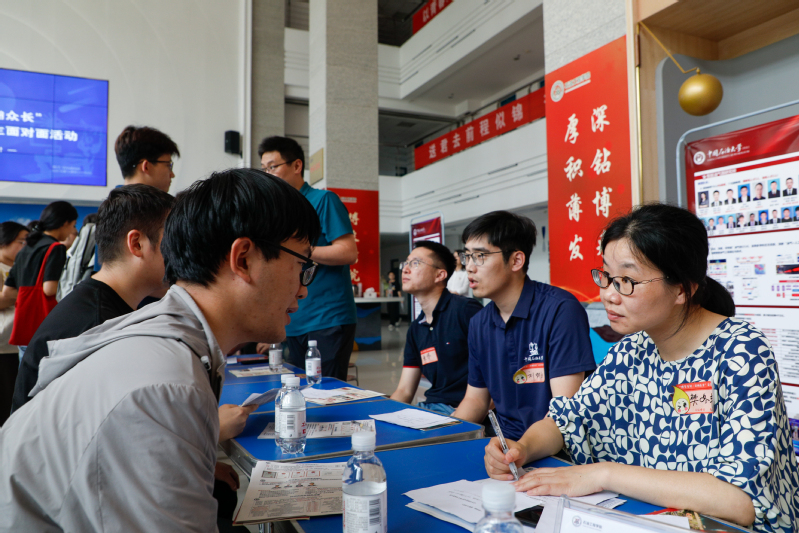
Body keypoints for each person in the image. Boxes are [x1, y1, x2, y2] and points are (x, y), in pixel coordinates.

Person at [0, 168, 322, 531]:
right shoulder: (167, 388)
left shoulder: (166, 342)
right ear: (243, 258)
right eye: (301, 265)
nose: (303, 289)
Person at [483, 204, 799, 533]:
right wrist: (522, 449)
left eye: (627, 281)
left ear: (682, 288)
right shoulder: (631, 350)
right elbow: (566, 421)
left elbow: (738, 501)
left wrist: (603, 474)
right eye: (606, 276)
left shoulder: (742, 351)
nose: (608, 294)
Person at [11, 185, 174, 412]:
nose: (181, 253)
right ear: (137, 244)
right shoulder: (98, 328)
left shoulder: (97, 307)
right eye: (174, 241)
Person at [451, 211, 596, 440]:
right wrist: (443, 435)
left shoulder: (560, 310)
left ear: (516, 260)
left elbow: (563, 411)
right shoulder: (479, 322)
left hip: (554, 446)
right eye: (467, 256)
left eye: (480, 256)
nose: (469, 266)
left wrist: (521, 449)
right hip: (503, 443)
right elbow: (476, 400)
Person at [259, 136, 357, 380]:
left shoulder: (323, 200)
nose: (268, 174)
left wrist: (300, 250)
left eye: (273, 166)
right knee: (298, 391)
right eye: (264, 169)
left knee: (325, 391)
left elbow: (348, 251)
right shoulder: (279, 213)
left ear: (296, 165)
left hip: (327, 317)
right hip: (294, 320)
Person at [389, 241, 482, 415]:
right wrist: (385, 416)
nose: (405, 269)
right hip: (432, 408)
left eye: (415, 263)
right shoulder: (416, 329)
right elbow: (405, 391)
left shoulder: (466, 311)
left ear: (440, 275)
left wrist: (460, 417)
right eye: (405, 263)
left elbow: (498, 377)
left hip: (464, 410)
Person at [0, 201, 78, 359]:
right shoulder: (56, 248)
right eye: (73, 225)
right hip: (43, 325)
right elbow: (49, 290)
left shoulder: (26, 248)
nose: (72, 231)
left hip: (23, 325)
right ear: (65, 223)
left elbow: (7, 291)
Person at [0, 222, 29, 425]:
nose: (24, 246)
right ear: (4, 241)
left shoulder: (19, 268)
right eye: (21, 242)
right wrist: (26, 294)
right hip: (2, 344)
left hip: (17, 342)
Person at [115, 125, 180, 193]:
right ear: (146, 167)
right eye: (168, 165)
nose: (172, 175)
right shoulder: (163, 200)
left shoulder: (112, 199)